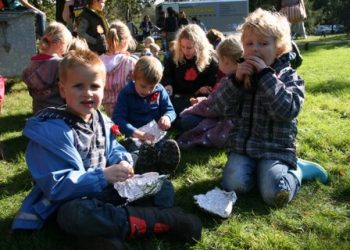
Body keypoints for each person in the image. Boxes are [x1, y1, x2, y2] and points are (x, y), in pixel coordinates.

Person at [11, 49, 202, 249]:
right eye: (78, 86)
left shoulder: (99, 119)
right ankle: (163, 220)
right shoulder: (50, 131)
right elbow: (57, 187)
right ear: (62, 89)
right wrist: (102, 176)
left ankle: (105, 234)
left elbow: (112, 148)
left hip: (107, 193)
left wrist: (123, 160)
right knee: (75, 214)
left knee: (164, 188)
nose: (88, 93)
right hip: (72, 201)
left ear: (103, 89)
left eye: (95, 86)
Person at [213, 8, 328, 207]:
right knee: (233, 185)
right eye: (249, 44)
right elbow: (220, 106)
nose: (255, 49)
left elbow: (287, 110)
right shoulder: (240, 75)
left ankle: (298, 171)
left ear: (279, 48)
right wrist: (236, 81)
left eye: (263, 43)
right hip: (243, 149)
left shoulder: (289, 77)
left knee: (275, 194)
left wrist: (266, 77)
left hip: (275, 150)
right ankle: (259, 173)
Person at [112, 56, 181, 176]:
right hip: (135, 136)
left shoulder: (159, 91)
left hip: (155, 134)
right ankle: (145, 166)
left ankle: (166, 167)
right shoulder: (126, 94)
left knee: (163, 147)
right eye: (143, 86)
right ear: (134, 78)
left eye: (152, 87)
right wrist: (136, 133)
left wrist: (167, 117)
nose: (148, 91)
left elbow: (170, 110)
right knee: (135, 153)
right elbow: (118, 119)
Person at [177, 35, 242, 149]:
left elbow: (216, 106)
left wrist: (199, 106)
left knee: (186, 121)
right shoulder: (233, 76)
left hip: (224, 121)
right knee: (187, 119)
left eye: (219, 59)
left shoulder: (231, 80)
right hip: (221, 117)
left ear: (225, 60)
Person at [162, 24, 218, 115]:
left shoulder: (210, 60)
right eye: (182, 47)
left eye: (189, 48)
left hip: (199, 99)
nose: (185, 51)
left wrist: (207, 87)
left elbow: (213, 80)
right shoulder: (173, 57)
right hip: (178, 97)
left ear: (199, 46)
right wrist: (168, 84)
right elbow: (167, 75)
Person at [22, 21, 73, 114]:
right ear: (60, 43)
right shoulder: (60, 64)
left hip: (39, 112)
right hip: (59, 113)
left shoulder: (32, 62)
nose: (67, 49)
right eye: (67, 45)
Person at [99, 20, 138, 117]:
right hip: (128, 110)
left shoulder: (98, 61)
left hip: (108, 110)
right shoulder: (130, 62)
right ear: (125, 40)